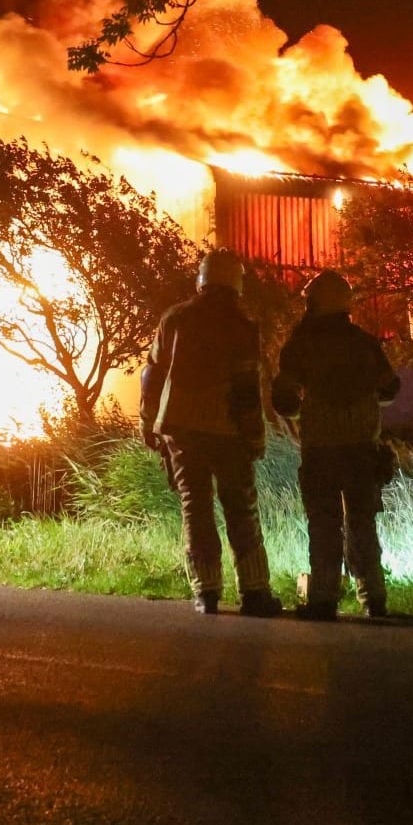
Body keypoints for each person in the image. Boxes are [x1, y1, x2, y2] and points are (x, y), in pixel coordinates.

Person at [142, 249, 281, 617]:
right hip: (228, 431)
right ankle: (254, 592)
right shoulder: (240, 324)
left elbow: (151, 374)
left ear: (200, 280)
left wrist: (148, 421)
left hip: (182, 431)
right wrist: (255, 437)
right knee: (241, 507)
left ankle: (206, 592)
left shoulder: (175, 319)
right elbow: (247, 388)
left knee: (195, 507)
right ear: (236, 283)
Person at [272, 270, 400, 621]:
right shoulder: (364, 343)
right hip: (361, 448)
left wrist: (303, 414)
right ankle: (373, 598)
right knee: (362, 523)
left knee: (324, 523)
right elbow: (391, 388)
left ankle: (323, 598)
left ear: (315, 304)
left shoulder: (302, 344)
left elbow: (283, 398)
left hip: (321, 449)